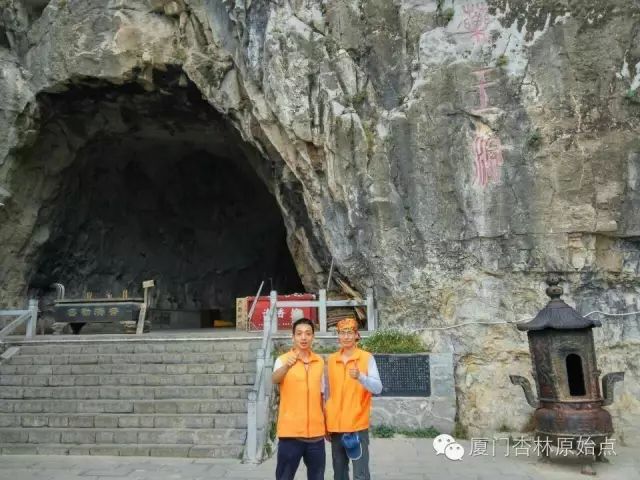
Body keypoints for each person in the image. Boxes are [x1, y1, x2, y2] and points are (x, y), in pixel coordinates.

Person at [325, 318, 383, 480]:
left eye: (350, 332)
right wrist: (326, 422)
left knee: (360, 474)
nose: (346, 337)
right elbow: (328, 392)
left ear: (357, 335)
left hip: (357, 425)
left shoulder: (366, 358)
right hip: (336, 426)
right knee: (339, 474)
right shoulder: (332, 360)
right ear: (338, 336)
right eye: (342, 333)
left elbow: (378, 388)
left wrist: (361, 377)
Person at [272, 318, 326, 480]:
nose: (304, 337)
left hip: (316, 435)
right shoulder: (282, 360)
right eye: (299, 333)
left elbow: (322, 395)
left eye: (308, 334)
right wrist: (287, 366)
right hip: (291, 434)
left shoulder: (319, 362)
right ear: (293, 337)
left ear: (313, 337)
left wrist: (326, 424)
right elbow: (274, 379)